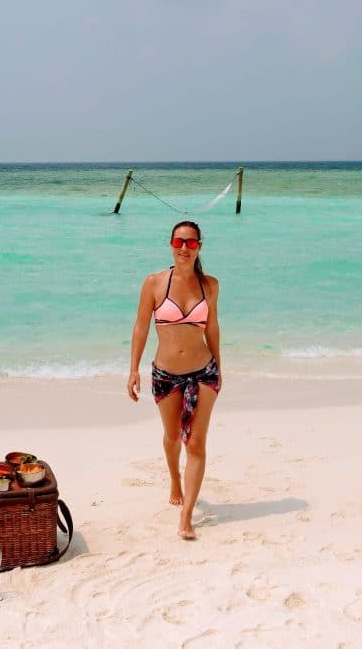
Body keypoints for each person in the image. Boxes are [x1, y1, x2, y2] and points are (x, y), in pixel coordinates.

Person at [127, 220, 222, 540]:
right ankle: (174, 480)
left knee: (195, 442)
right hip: (166, 374)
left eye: (192, 243)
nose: (185, 248)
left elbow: (212, 329)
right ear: (170, 244)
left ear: (199, 247)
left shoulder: (210, 285)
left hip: (203, 371)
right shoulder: (154, 283)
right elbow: (141, 327)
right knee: (171, 436)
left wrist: (219, 368)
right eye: (179, 242)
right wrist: (133, 369)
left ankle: (186, 517)